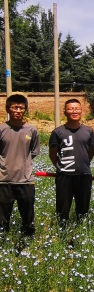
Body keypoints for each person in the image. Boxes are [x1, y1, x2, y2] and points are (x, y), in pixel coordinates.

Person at [49, 99, 94, 225]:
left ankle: (81, 231)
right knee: (63, 208)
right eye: (70, 109)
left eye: (77, 108)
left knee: (83, 209)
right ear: (65, 112)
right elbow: (53, 154)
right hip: (64, 176)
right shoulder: (57, 132)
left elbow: (90, 152)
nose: (74, 111)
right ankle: (62, 232)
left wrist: (83, 164)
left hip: (84, 175)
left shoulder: (89, 131)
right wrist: (61, 167)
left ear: (81, 111)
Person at [0, 94, 40, 236]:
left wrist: (23, 164)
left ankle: (27, 241)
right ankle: (4, 241)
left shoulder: (31, 130)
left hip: (26, 180)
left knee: (28, 216)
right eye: (14, 107)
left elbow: (33, 152)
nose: (18, 110)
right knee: (2, 217)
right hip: (4, 180)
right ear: (8, 109)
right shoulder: (2, 129)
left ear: (25, 110)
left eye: (21, 108)